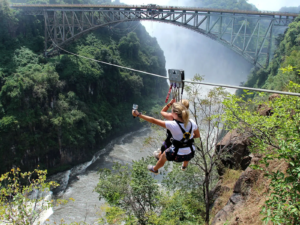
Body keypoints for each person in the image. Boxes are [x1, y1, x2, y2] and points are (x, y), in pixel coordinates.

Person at [132, 102, 200, 174]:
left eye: (172, 111)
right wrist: (187, 139)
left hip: (176, 155)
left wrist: (138, 115)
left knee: (163, 156)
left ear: (175, 114)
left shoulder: (172, 124)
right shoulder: (192, 122)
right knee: (188, 148)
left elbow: (153, 120)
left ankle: (155, 169)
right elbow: (197, 135)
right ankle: (184, 166)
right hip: (190, 153)